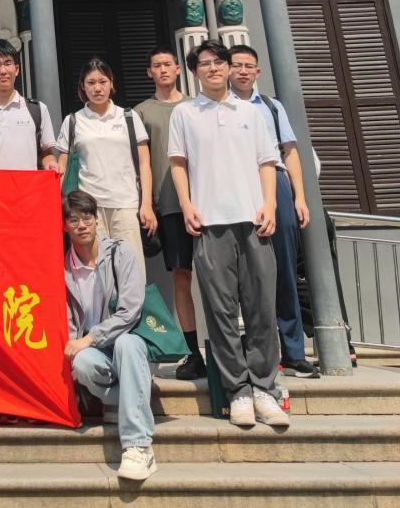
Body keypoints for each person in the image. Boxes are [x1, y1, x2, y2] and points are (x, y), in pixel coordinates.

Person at [168, 40, 289, 429]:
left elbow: (267, 162)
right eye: (205, 63)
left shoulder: (251, 112)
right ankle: (238, 391)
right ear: (195, 72)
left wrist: (270, 204)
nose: (214, 68)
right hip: (210, 224)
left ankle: (264, 389)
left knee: (260, 309)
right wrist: (187, 204)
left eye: (219, 61)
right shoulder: (185, 113)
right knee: (220, 312)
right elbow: (178, 163)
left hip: (253, 220)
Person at [229, 43, 320, 378]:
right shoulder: (218, 106)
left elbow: (291, 152)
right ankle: (258, 352)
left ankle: (294, 352)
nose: (242, 71)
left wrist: (299, 197)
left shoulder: (271, 106)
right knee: (245, 273)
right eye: (236, 65)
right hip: (238, 184)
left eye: (248, 65)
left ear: (257, 71)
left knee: (285, 270)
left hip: (276, 183)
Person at [63, 189, 156, 483]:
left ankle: (138, 446)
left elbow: (130, 311)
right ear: (65, 226)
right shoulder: (63, 270)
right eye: (73, 219)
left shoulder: (120, 252)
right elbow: (67, 324)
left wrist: (90, 338)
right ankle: (131, 398)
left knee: (126, 343)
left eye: (86, 217)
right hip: (97, 356)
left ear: (96, 220)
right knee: (81, 363)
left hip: (131, 343)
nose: (81, 225)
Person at [134, 46, 205, 379]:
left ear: (179, 69)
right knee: (181, 276)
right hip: (170, 206)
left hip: (207, 201)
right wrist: (147, 204)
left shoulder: (197, 106)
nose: (162, 70)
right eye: (156, 65)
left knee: (221, 279)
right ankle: (192, 352)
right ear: (149, 72)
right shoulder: (141, 112)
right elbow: (142, 164)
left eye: (167, 64)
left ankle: (228, 347)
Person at [56, 58, 155, 270]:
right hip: (88, 208)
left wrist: (146, 204)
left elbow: (144, 164)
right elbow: (61, 167)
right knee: (95, 270)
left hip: (126, 204)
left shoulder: (128, 117)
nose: (97, 88)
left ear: (111, 83)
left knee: (130, 268)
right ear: (83, 86)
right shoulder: (73, 120)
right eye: (91, 83)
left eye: (102, 82)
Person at [0, 38, 59, 172]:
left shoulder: (38, 109)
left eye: (7, 63)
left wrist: (50, 163)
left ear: (16, 69)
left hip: (28, 185)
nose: (3, 70)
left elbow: (47, 153)